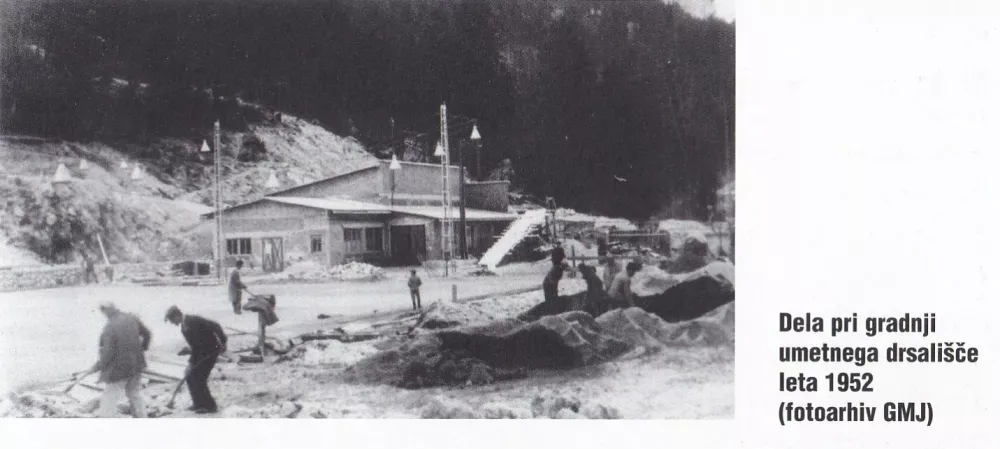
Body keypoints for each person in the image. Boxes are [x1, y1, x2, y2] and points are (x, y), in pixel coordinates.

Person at [77, 302, 151, 418]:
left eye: (103, 311)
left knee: (109, 398)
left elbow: (107, 354)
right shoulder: (132, 318)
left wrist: (97, 367)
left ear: (105, 311)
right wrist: (142, 349)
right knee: (135, 394)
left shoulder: (110, 327)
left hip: (120, 370)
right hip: (137, 365)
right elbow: (147, 334)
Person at [165, 306, 228, 414]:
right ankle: (198, 404)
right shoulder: (184, 328)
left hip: (211, 351)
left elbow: (216, 326)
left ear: (177, 315)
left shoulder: (193, 320)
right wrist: (190, 358)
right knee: (190, 376)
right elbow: (195, 346)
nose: (172, 323)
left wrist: (223, 342)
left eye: (172, 320)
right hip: (200, 353)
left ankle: (210, 406)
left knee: (200, 378)